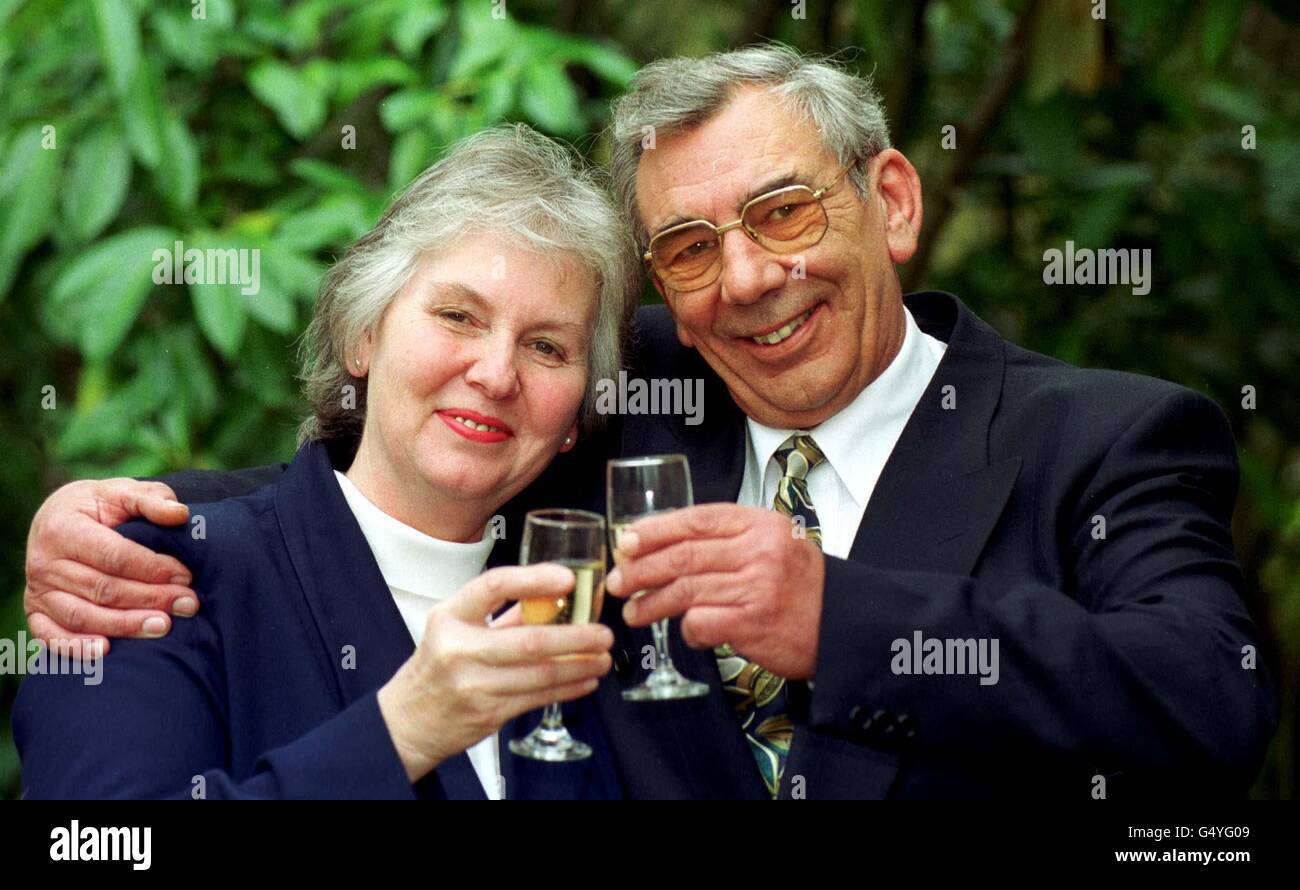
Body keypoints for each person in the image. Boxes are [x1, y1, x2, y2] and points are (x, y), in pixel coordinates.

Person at [22, 46, 1277, 799]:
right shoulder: (626, 403)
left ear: (890, 199)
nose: (742, 279)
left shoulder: (1106, 437)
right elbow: (422, 455)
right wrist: (132, 518)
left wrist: (838, 620)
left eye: (784, 211)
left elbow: (1205, 702)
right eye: (685, 245)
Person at [13, 124, 637, 799]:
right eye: (458, 316)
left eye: (547, 348)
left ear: (578, 416)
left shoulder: (595, 614)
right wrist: (401, 732)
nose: (495, 373)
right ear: (362, 336)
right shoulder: (150, 573)